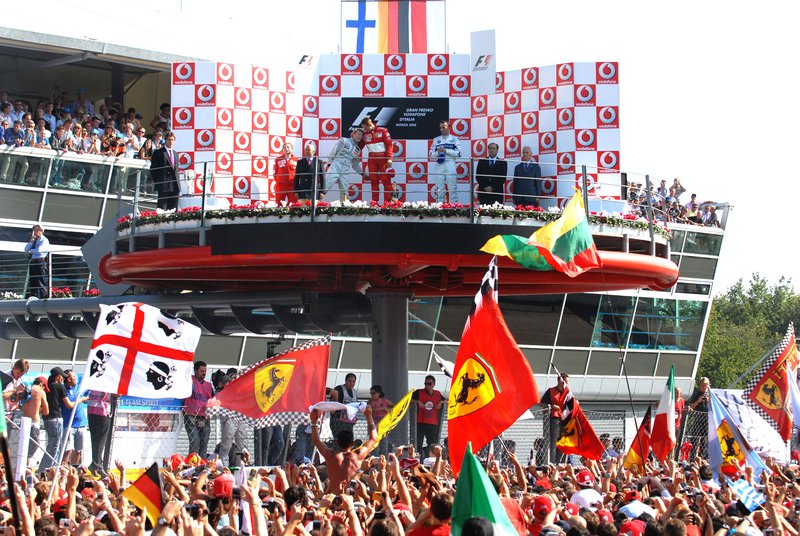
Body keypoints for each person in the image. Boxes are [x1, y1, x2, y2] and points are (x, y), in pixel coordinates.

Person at [310, 404, 377, 492]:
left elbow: (316, 441)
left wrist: (314, 421)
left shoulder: (330, 455)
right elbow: (373, 438)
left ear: (337, 442)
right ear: (353, 443)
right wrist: (369, 417)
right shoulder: (358, 456)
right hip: (351, 496)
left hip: (334, 497)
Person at [359, 116, 394, 204]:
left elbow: (389, 145)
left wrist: (389, 158)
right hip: (372, 160)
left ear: (370, 124)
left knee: (386, 181)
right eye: (363, 128)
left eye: (365, 128)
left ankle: (387, 204)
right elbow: (359, 146)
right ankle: (374, 203)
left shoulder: (383, 131)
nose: (364, 130)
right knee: (374, 181)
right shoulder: (364, 134)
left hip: (383, 159)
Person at [325, 128, 366, 201]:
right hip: (335, 166)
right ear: (353, 134)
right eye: (358, 134)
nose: (360, 136)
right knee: (325, 187)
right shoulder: (344, 140)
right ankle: (313, 204)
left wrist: (362, 173)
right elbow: (333, 151)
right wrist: (329, 163)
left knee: (344, 192)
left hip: (345, 171)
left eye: (361, 136)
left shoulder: (358, 149)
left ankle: (343, 206)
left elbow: (355, 165)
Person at [183, 360, 214, 458]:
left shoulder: (208, 385)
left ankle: (202, 465)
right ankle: (193, 465)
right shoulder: (189, 381)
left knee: (204, 445)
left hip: (204, 418)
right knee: (195, 443)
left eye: (205, 371)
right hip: (191, 417)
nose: (204, 373)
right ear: (196, 371)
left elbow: (213, 399)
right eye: (201, 371)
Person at [216, 375, 249, 466]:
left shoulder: (239, 392)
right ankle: (224, 467)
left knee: (243, 446)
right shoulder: (221, 393)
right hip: (229, 420)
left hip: (240, 420)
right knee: (226, 447)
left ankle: (243, 465)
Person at [40, 366, 67, 472]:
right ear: (57, 376)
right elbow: (69, 404)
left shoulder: (46, 386)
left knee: (52, 444)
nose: (63, 379)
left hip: (46, 418)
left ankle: (48, 468)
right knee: (55, 445)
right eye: (62, 377)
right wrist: (81, 400)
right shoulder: (59, 387)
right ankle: (46, 469)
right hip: (55, 418)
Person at [429, 120, 462, 203]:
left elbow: (459, 154)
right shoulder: (436, 139)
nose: (442, 129)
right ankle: (440, 207)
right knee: (439, 188)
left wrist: (446, 151)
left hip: (450, 164)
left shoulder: (454, 139)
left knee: (452, 188)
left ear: (449, 127)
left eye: (444, 127)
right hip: (439, 165)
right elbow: (431, 155)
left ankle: (454, 207)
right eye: (440, 128)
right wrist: (438, 152)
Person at [540, 372, 570, 464]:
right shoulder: (551, 391)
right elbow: (542, 403)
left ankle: (561, 462)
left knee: (563, 440)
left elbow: (571, 401)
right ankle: (552, 461)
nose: (566, 384)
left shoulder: (567, 392)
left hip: (564, 419)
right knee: (554, 440)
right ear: (560, 381)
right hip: (555, 418)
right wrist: (552, 405)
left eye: (567, 382)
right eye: (565, 382)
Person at [61, 369, 89, 466]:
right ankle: (63, 470)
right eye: (74, 377)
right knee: (67, 450)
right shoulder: (63, 390)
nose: (76, 378)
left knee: (78, 450)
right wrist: (81, 400)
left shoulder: (79, 387)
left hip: (81, 424)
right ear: (68, 379)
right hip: (68, 424)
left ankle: (74, 469)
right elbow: (69, 405)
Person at [411, 375, 444, 457]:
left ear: (434, 384)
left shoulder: (437, 393)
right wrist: (417, 401)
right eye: (425, 384)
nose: (427, 386)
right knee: (418, 442)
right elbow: (408, 399)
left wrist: (440, 402)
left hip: (432, 423)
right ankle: (418, 458)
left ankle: (430, 457)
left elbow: (446, 400)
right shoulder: (419, 392)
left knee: (432, 443)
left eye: (429, 384)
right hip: (421, 422)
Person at [86, 389, 114, 476]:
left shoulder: (94, 382)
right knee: (101, 441)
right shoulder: (109, 383)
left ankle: (96, 464)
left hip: (91, 410)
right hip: (103, 411)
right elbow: (117, 394)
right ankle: (96, 465)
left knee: (95, 440)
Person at [23, 376, 49, 468]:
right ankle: (26, 466)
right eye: (44, 387)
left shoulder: (25, 389)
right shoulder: (40, 392)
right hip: (34, 422)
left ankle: (22, 466)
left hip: (24, 421)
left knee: (23, 446)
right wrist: (38, 408)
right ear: (41, 384)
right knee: (33, 446)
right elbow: (46, 412)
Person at [150, 132, 180, 210]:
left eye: (172, 140)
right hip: (163, 185)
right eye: (169, 140)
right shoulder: (158, 152)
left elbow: (176, 169)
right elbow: (153, 169)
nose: (171, 142)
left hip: (175, 184)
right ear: (165, 140)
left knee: (173, 209)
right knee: (162, 208)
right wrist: (159, 182)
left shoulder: (175, 154)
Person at [23, 225, 49, 299]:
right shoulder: (35, 240)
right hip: (33, 261)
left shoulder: (44, 240)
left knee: (41, 280)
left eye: (36, 230)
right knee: (33, 280)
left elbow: (39, 250)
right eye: (34, 230)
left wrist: (31, 251)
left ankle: (43, 296)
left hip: (40, 262)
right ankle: (34, 296)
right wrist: (31, 241)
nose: (34, 232)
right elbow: (26, 249)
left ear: (41, 231)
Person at [368, 384, 395, 455]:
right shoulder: (370, 402)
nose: (372, 395)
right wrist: (383, 408)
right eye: (371, 393)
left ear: (378, 393)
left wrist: (388, 410)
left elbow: (394, 407)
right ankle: (374, 457)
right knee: (374, 442)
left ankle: (382, 457)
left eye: (373, 393)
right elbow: (370, 409)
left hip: (384, 424)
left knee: (384, 442)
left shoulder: (384, 401)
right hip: (375, 424)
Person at [330, 373, 359, 438]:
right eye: (349, 381)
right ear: (345, 381)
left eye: (353, 382)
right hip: (338, 421)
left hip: (349, 422)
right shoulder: (339, 389)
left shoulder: (354, 392)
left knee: (348, 440)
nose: (351, 384)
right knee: (338, 439)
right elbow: (333, 401)